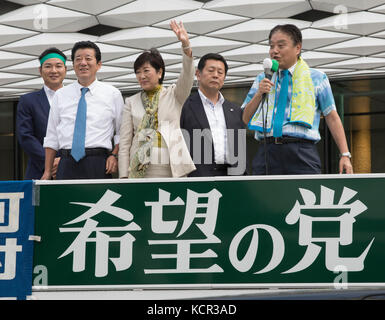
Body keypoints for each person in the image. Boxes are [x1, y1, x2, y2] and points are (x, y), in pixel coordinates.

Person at [241, 24, 353, 175]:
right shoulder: (263, 78)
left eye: (281, 45)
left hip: (301, 151)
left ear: (298, 48)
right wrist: (258, 94)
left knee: (306, 197)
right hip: (267, 151)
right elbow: (245, 118)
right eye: (271, 46)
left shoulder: (317, 77)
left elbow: (331, 117)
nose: (274, 51)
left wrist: (345, 155)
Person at [118, 20, 195, 178]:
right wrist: (123, 176)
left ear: (159, 72)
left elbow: (187, 75)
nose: (142, 76)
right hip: (139, 166)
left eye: (146, 70)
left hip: (171, 165)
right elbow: (125, 142)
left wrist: (186, 46)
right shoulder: (131, 102)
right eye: (138, 72)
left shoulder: (174, 95)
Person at [42, 41, 124, 179]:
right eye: (78, 59)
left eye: (88, 58)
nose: (83, 63)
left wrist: (114, 155)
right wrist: (47, 171)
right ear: (73, 65)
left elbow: (122, 132)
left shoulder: (113, 94)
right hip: (66, 162)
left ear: (99, 64)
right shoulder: (60, 95)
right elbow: (52, 136)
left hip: (99, 163)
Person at [180, 53, 246, 177]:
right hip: (198, 178)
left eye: (220, 72)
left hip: (233, 178)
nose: (215, 75)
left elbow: (240, 149)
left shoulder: (235, 110)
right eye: (211, 71)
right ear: (198, 74)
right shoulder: (185, 107)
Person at [16, 47, 67, 180]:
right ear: (40, 70)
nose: (54, 71)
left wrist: (65, 161)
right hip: (39, 170)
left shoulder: (78, 98)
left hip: (72, 168)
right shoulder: (27, 100)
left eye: (58, 66)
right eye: (48, 66)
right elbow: (26, 136)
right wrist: (49, 163)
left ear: (65, 70)